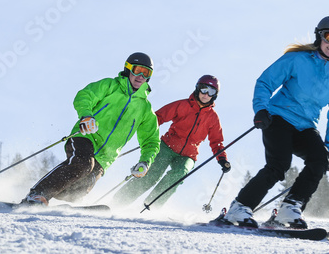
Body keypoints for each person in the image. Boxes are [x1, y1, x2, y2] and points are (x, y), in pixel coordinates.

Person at [224, 16, 329, 229]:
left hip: (306, 125)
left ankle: (289, 209)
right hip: (279, 117)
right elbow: (265, 81)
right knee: (279, 165)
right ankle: (240, 207)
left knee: (319, 160)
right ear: (319, 37)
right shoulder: (298, 59)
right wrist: (262, 110)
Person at [22, 52, 161, 205]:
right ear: (128, 69)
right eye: (137, 70)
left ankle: (59, 204)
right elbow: (85, 96)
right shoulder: (110, 86)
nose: (141, 76)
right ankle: (37, 194)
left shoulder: (145, 109)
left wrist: (145, 161)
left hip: (105, 157)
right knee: (84, 164)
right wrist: (87, 116)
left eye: (146, 72)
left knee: (77, 191)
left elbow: (151, 141)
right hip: (86, 136)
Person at [112, 75, 231, 209]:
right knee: (151, 174)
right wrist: (145, 128)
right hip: (167, 146)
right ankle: (118, 201)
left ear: (215, 95)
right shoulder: (183, 105)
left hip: (188, 155)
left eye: (211, 92)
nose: (206, 94)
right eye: (204, 89)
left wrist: (222, 159)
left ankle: (152, 205)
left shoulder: (212, 118)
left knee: (179, 174)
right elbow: (158, 117)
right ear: (198, 89)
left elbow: (217, 141)